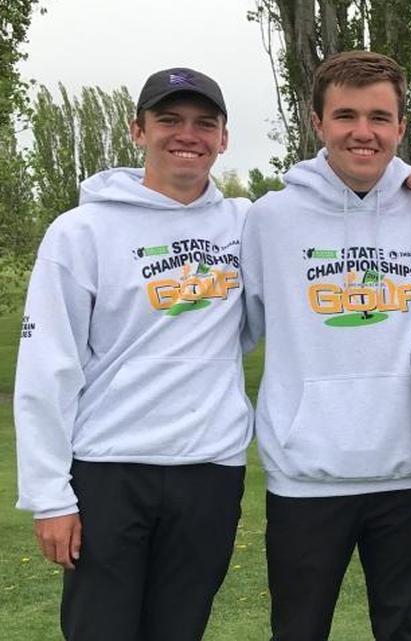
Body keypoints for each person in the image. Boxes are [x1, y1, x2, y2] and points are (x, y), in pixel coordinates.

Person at [14, 67, 250, 640]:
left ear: (223, 138)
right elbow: (47, 366)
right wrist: (50, 497)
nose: (186, 134)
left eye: (203, 123)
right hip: (110, 470)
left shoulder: (247, 223)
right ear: (138, 130)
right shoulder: (80, 232)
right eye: (168, 120)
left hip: (210, 472)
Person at [241, 50, 411, 641]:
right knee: (298, 630)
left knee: (407, 630)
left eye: (380, 118)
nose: (364, 132)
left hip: (409, 473)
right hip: (306, 476)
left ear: (401, 128)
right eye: (346, 115)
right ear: (317, 122)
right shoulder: (270, 219)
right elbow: (243, 325)